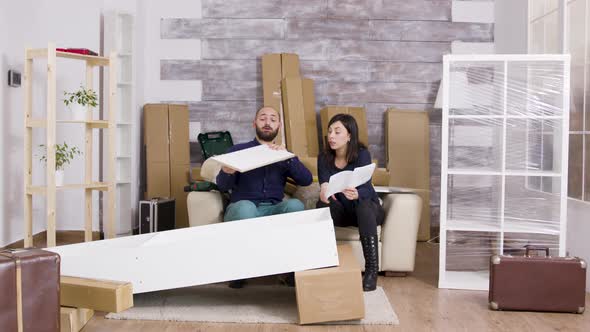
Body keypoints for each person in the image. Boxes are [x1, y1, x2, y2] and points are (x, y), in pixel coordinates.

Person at [216, 106, 313, 288]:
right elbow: (222, 186)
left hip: (273, 209)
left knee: (295, 206)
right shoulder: (238, 150)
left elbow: (306, 180)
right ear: (254, 123)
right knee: (246, 208)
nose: (267, 123)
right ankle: (240, 269)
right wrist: (226, 172)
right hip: (242, 208)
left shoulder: (283, 154)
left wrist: (288, 157)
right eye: (263, 118)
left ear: (279, 126)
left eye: (273, 119)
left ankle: (291, 270)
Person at [317, 113, 385, 291]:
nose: (331, 136)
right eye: (330, 131)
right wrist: (324, 190)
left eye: (337, 132)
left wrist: (357, 194)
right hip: (343, 211)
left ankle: (371, 271)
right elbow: (324, 182)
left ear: (349, 136)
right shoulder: (324, 157)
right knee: (321, 206)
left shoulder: (362, 154)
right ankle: (321, 264)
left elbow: (366, 187)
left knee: (363, 206)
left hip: (366, 209)